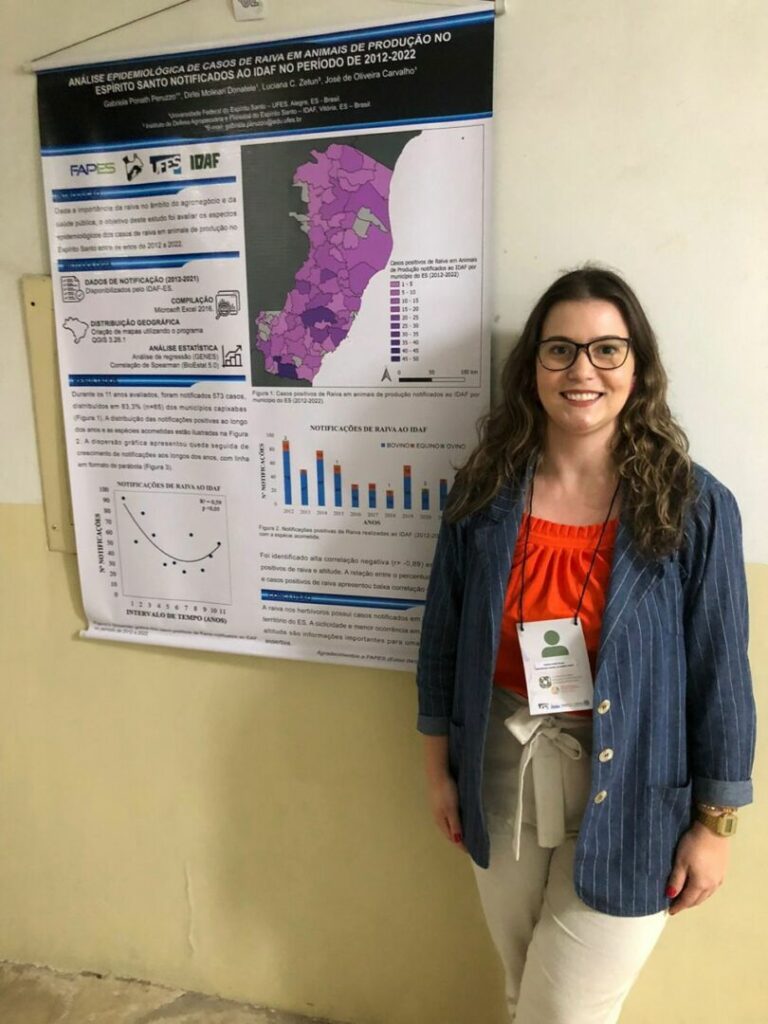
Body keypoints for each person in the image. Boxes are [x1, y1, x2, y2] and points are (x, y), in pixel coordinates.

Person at [416, 267, 755, 1024]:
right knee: (523, 989)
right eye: (560, 349)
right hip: (500, 773)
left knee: (562, 1012)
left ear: (638, 366)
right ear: (533, 365)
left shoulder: (693, 504)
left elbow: (722, 675)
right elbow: (442, 639)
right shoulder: (482, 492)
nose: (582, 371)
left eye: (607, 349)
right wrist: (439, 771)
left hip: (637, 788)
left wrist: (716, 825)